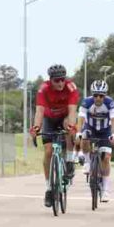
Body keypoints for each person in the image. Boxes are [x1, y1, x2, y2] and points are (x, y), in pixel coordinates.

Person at [30, 64, 79, 208]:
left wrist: (71, 127)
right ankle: (49, 189)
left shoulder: (71, 87)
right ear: (50, 80)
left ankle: (69, 161)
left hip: (64, 116)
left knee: (68, 127)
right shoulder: (43, 89)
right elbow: (39, 111)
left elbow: (72, 111)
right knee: (48, 151)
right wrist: (36, 128)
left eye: (62, 80)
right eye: (57, 80)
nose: (60, 83)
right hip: (49, 119)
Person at [77, 80, 114, 203]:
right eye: (95, 95)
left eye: (101, 95)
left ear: (105, 95)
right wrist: (79, 132)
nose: (98, 98)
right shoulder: (86, 102)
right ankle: (87, 162)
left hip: (105, 130)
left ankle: (105, 190)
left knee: (106, 158)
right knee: (84, 136)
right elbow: (80, 118)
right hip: (90, 128)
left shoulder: (110, 103)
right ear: (92, 95)